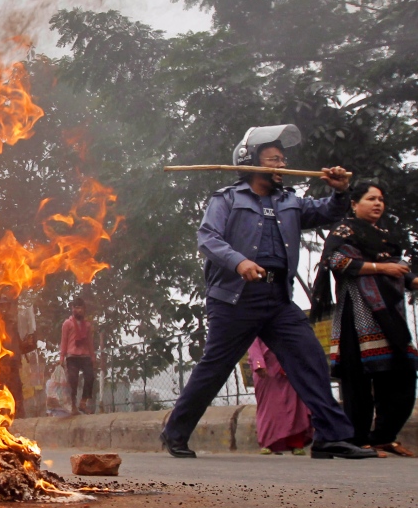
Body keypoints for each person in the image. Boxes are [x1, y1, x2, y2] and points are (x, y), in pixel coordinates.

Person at [160, 123, 375, 459]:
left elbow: (328, 212)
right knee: (214, 367)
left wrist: (340, 192)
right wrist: (239, 262)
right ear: (249, 161)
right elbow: (208, 238)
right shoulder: (227, 199)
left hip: (277, 300)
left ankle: (331, 436)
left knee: (310, 359)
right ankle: (174, 433)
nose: (281, 165)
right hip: (235, 298)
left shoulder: (291, 203)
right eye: (273, 159)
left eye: (283, 160)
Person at [311, 181, 418, 458]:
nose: (378, 204)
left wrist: (411, 278)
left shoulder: (384, 234)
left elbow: (400, 268)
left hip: (389, 314)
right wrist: (383, 268)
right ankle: (357, 440)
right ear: (354, 204)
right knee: (357, 378)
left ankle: (383, 436)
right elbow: (336, 261)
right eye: (371, 199)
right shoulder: (344, 230)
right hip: (357, 314)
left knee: (403, 371)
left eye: (381, 199)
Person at [247, 338, 312, 455]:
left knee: (294, 406)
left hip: (291, 366)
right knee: (270, 407)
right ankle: (268, 442)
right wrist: (258, 364)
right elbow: (253, 344)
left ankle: (296, 443)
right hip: (267, 369)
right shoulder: (255, 321)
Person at [60, 299, 96, 415]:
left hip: (85, 355)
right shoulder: (67, 323)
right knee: (72, 380)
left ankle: (83, 403)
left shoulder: (88, 325)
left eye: (80, 308)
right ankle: (73, 405)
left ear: (84, 309)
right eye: (76, 308)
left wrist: (93, 357)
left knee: (90, 377)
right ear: (72, 309)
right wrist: (61, 358)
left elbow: (90, 342)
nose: (78, 310)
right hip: (72, 356)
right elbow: (64, 341)